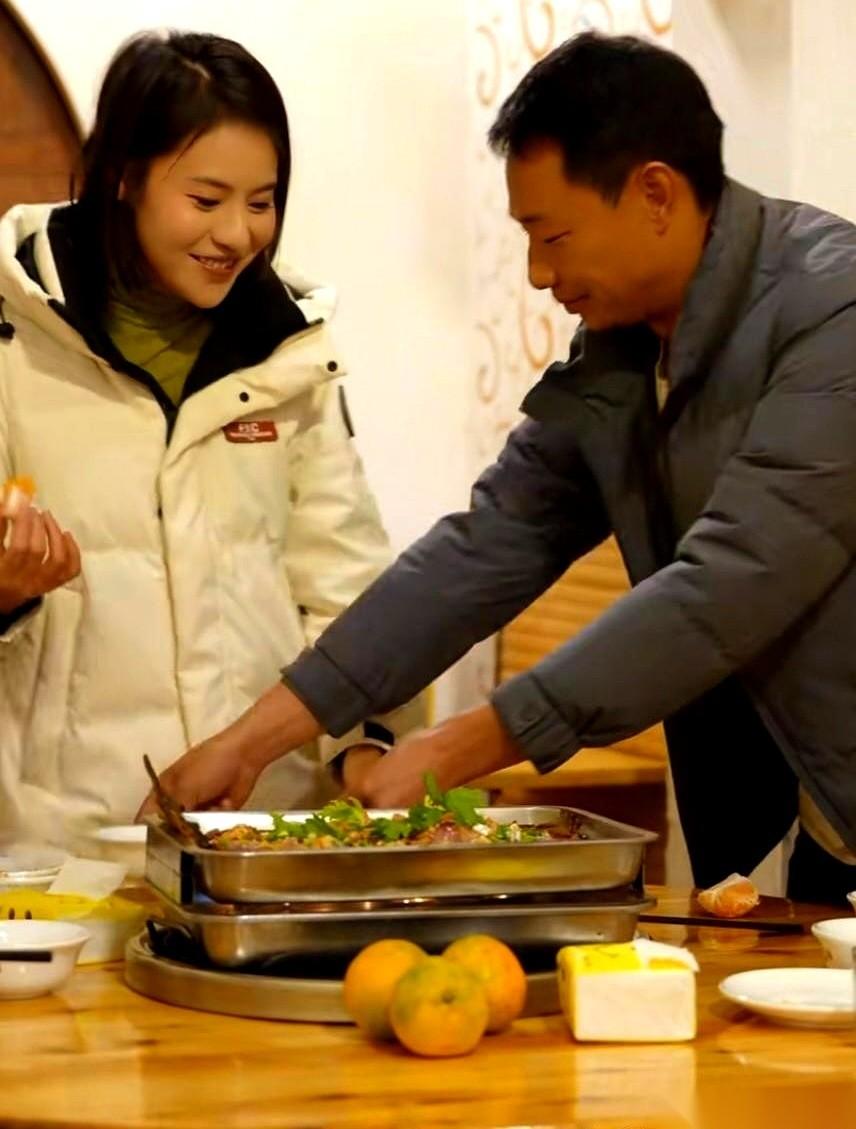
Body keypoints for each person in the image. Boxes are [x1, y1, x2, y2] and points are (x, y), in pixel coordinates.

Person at [145, 32, 856, 905]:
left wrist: (459, 746)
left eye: (553, 235)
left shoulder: (835, 310)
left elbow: (730, 584)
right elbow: (489, 543)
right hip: (804, 822)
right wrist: (251, 741)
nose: (538, 272)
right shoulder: (624, 349)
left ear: (656, 194)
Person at [0, 30, 421, 852]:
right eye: (206, 200)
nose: (237, 233)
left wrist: (365, 745)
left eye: (261, 202)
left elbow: (348, 587)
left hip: (264, 832)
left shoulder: (290, 351)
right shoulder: (15, 334)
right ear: (124, 177)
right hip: (68, 844)